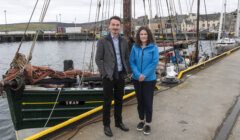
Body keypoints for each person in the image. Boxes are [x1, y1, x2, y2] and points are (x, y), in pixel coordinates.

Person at [95, 16, 131, 137]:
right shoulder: (102, 41)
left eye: (117, 25)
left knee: (120, 100)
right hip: (108, 76)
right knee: (107, 102)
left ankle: (118, 122)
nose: (115, 27)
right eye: (113, 25)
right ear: (109, 26)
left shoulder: (124, 41)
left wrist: (126, 71)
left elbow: (126, 57)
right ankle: (106, 125)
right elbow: (98, 59)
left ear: (119, 26)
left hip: (120, 75)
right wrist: (104, 73)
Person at [129, 26, 159, 135]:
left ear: (148, 35)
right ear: (138, 36)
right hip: (137, 79)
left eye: (145, 34)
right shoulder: (134, 47)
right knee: (140, 101)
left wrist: (144, 75)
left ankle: (148, 123)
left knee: (148, 101)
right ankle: (141, 120)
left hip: (149, 80)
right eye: (141, 34)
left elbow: (154, 62)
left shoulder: (154, 47)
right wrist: (138, 74)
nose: (143, 36)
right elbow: (131, 61)